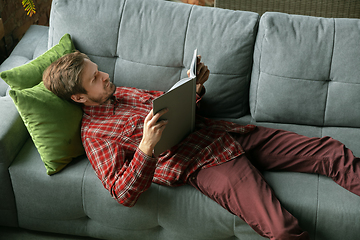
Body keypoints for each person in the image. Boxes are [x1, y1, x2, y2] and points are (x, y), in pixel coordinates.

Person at [43, 51, 360, 240]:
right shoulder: (95, 134)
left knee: (329, 151)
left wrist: (193, 88)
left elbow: (171, 109)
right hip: (206, 163)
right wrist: (146, 148)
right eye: (95, 78)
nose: (106, 75)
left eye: (99, 70)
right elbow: (122, 193)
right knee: (281, 229)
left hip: (227, 133)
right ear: (78, 97)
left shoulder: (122, 92)